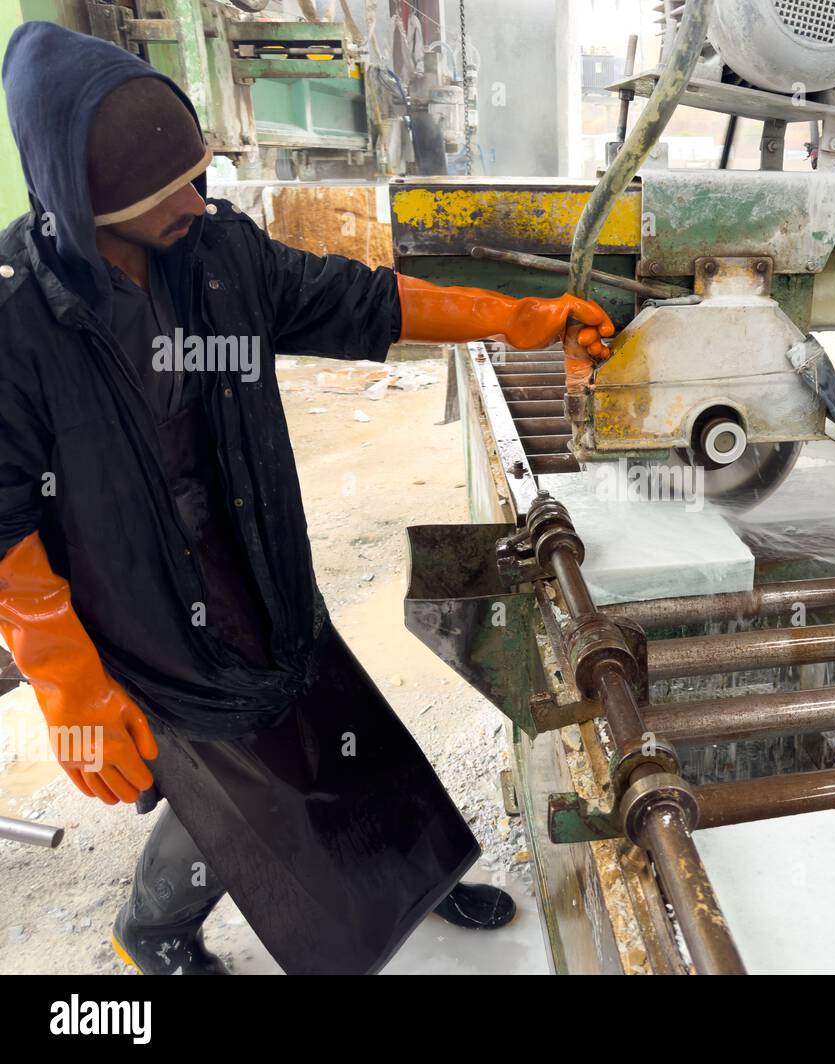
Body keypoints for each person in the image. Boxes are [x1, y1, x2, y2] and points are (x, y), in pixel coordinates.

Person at [0, 22, 614, 975]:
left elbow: (364, 301)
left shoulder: (216, 255)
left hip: (261, 568)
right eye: (172, 194)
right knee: (232, 791)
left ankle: (413, 874)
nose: (199, 203)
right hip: (149, 618)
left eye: (201, 177)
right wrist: (65, 676)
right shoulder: (19, 325)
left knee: (344, 729)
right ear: (89, 207)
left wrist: (514, 319)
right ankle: (154, 928)